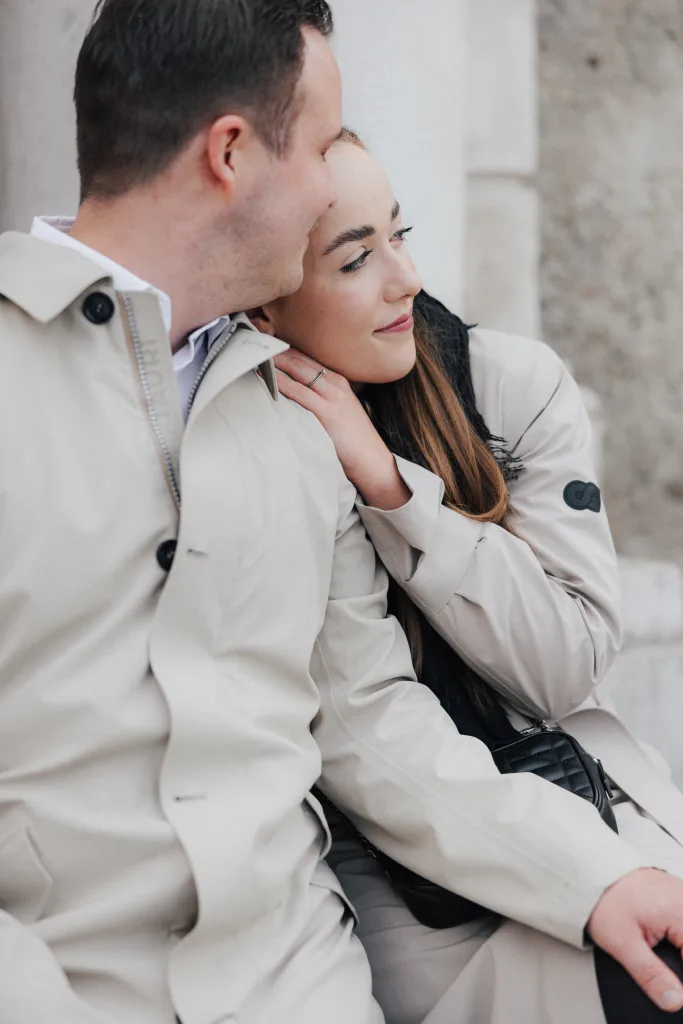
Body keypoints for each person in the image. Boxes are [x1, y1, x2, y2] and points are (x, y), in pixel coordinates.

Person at [1, 4, 683, 1023]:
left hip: (307, 992)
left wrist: (594, 876)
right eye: (322, 147)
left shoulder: (286, 413)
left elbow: (372, 727)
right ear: (231, 154)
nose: (333, 182)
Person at [251, 128, 683, 1023]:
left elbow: (561, 667)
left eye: (398, 236)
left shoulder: (507, 387)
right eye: (355, 258)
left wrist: (393, 490)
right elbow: (365, 736)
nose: (404, 278)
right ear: (264, 308)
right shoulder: (262, 440)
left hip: (588, 809)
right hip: (418, 904)